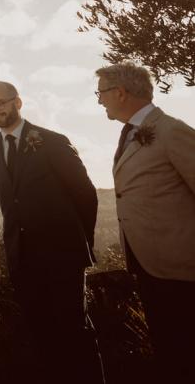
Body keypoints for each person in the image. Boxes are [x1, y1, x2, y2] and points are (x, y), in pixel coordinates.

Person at [0, 81, 103, 383]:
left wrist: (78, 242)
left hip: (63, 254)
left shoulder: (52, 141)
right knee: (40, 333)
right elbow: (6, 198)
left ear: (17, 103)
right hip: (22, 258)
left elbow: (85, 194)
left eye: (1, 103)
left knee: (74, 329)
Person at [95, 63, 195, 377]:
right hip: (148, 263)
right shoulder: (132, 133)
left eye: (101, 93)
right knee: (169, 351)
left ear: (120, 93)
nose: (99, 101)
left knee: (185, 352)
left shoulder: (170, 130)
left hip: (182, 266)